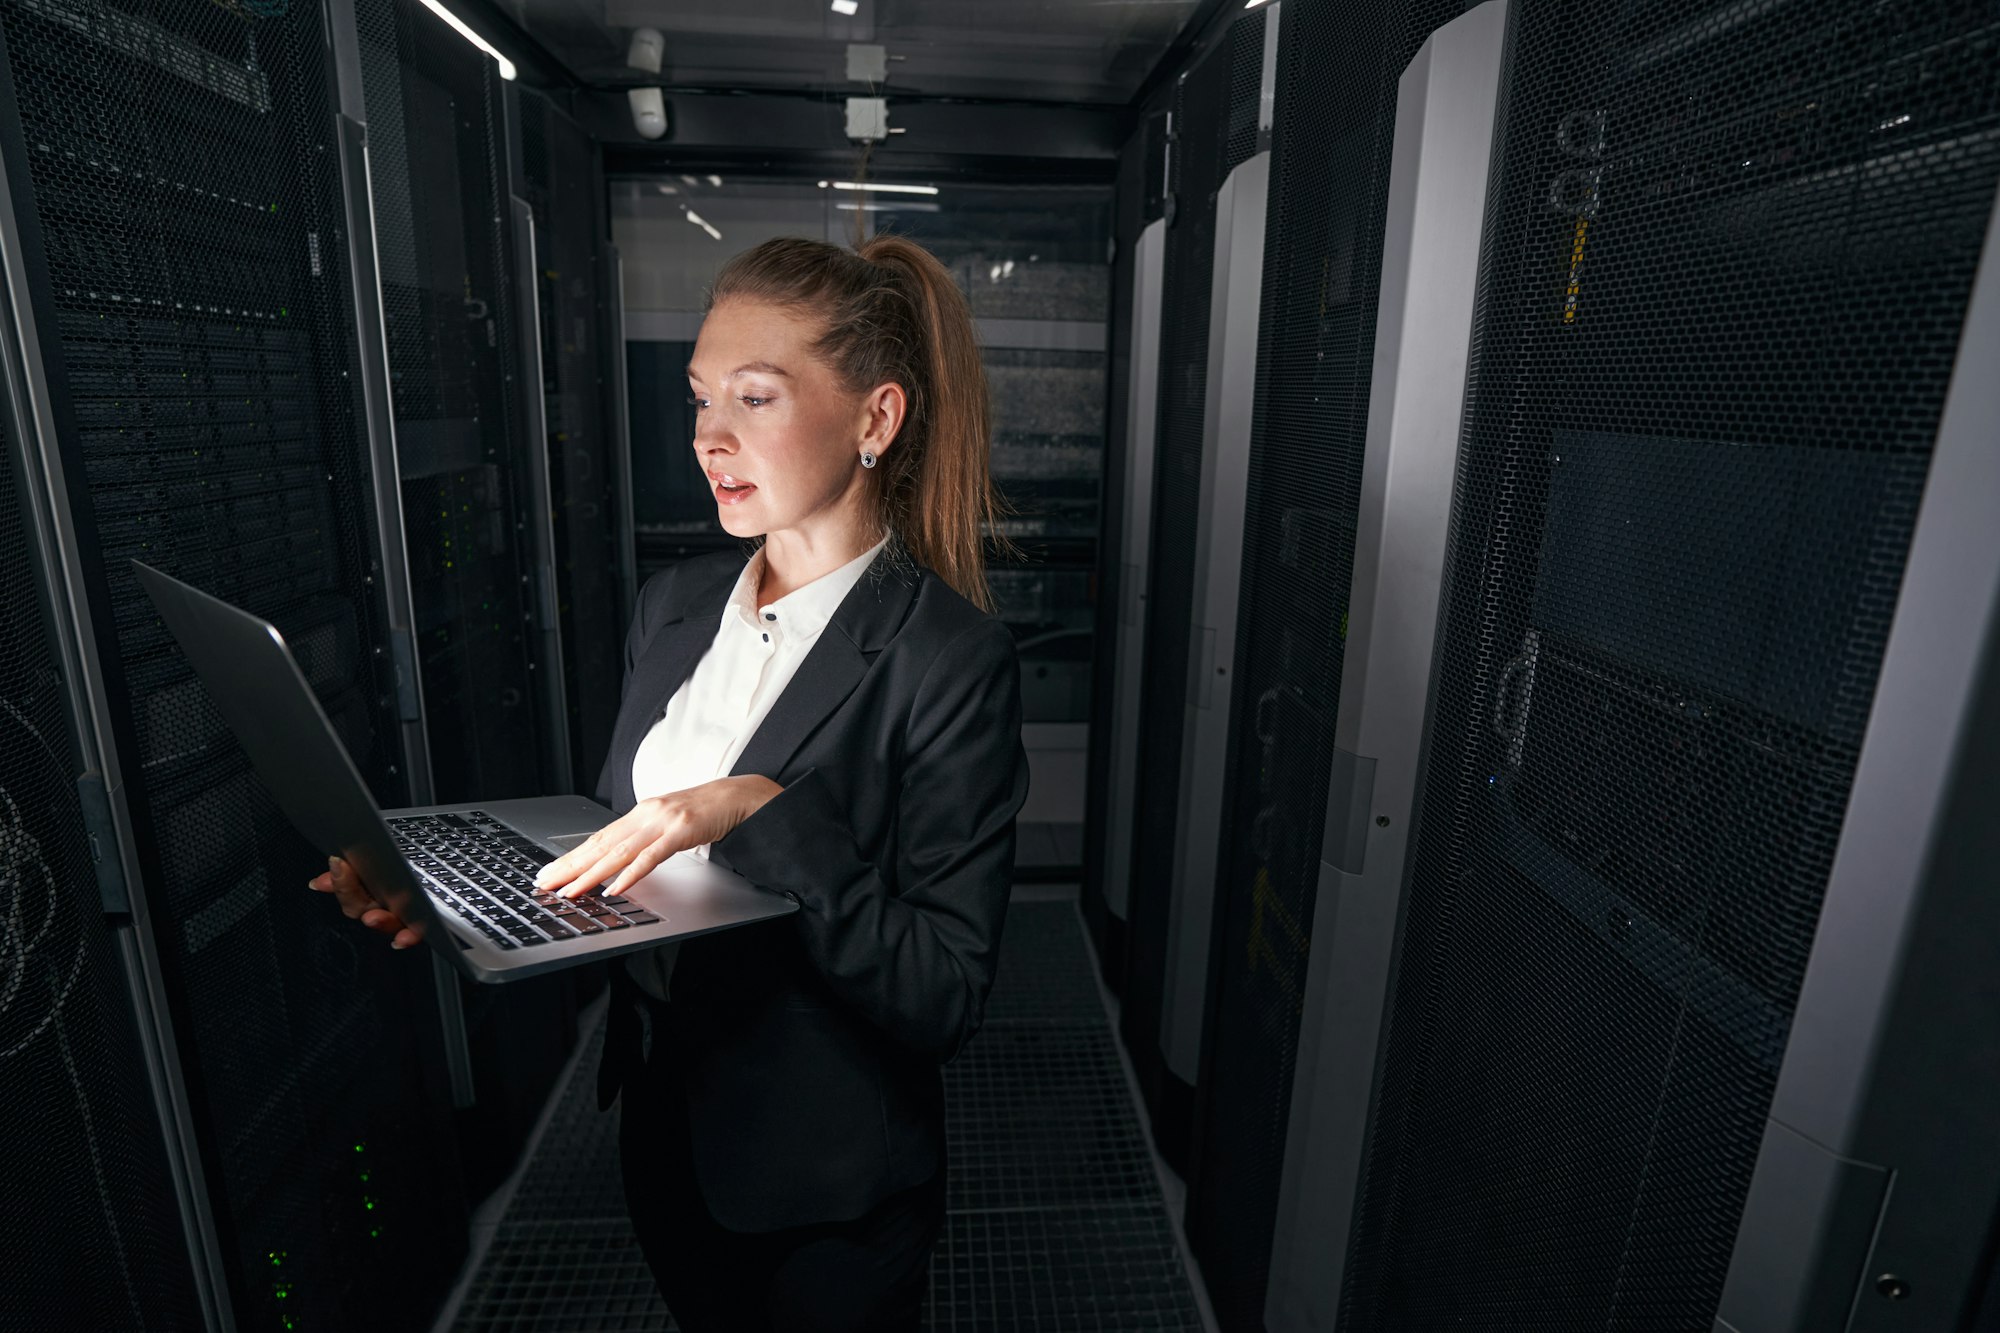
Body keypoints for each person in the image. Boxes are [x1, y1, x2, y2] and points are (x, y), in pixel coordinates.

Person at [310, 233, 1030, 1331]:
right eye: (700, 399)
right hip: (663, 1129)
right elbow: (623, 851)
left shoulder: (948, 659)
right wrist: (455, 899)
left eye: (754, 397)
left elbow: (941, 992)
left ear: (874, 420)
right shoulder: (675, 604)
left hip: (820, 1188)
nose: (710, 438)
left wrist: (759, 812)